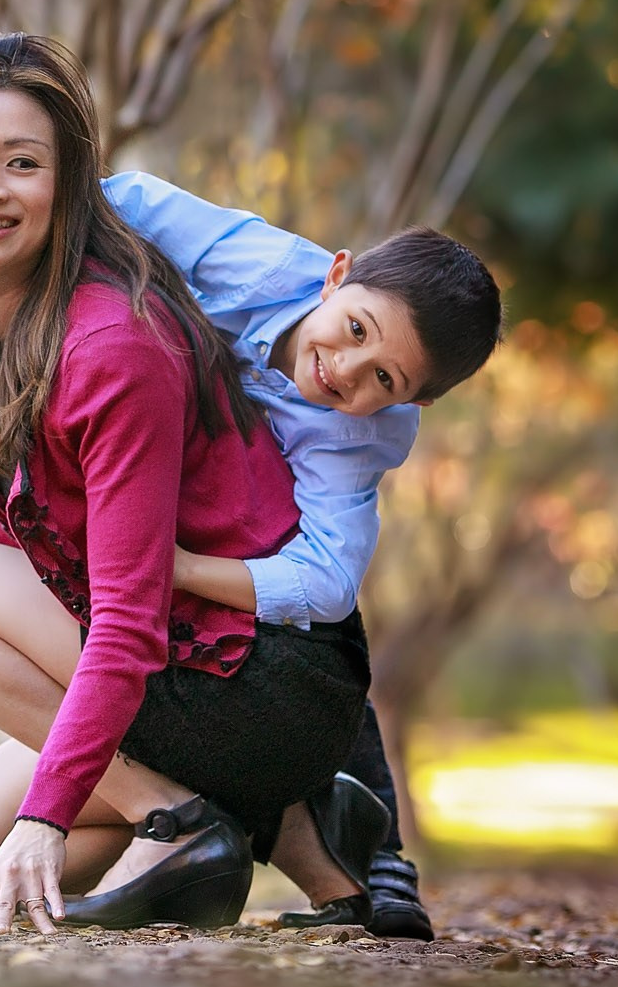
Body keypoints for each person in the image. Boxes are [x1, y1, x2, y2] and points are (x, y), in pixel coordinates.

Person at [0, 33, 385, 936]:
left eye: (21, 162)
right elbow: (52, 498)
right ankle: (236, 813)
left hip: (257, 676)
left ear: (68, 185)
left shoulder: (115, 343)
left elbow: (129, 616)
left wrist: (45, 814)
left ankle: (177, 820)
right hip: (184, 669)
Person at [105, 173, 503, 938]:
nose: (345, 370)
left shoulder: (363, 433)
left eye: (383, 378)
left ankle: (378, 855)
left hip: (244, 523)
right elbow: (121, 198)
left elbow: (325, 580)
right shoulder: (254, 263)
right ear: (337, 273)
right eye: (355, 329)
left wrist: (178, 569)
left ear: (413, 400)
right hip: (164, 445)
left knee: (324, 633)